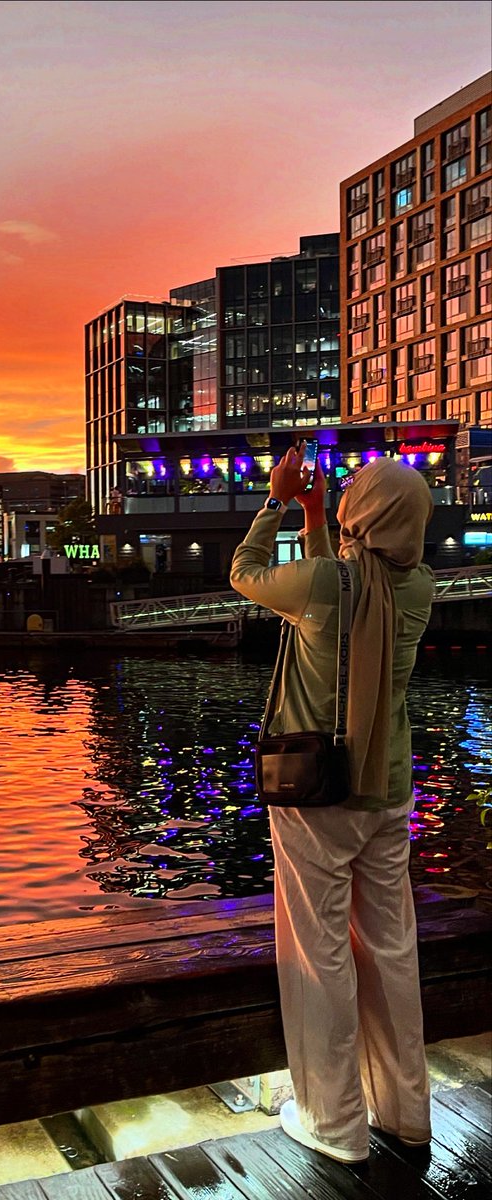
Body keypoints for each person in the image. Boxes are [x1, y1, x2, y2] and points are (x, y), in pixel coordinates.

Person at [230, 445, 435, 1164]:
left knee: (319, 953)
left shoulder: (323, 582)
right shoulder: (421, 587)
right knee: (390, 950)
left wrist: (279, 500)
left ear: (362, 512)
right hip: (387, 791)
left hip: (318, 795)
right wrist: (321, 518)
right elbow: (343, 592)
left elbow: (247, 575)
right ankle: (406, 1112)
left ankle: (334, 1124)